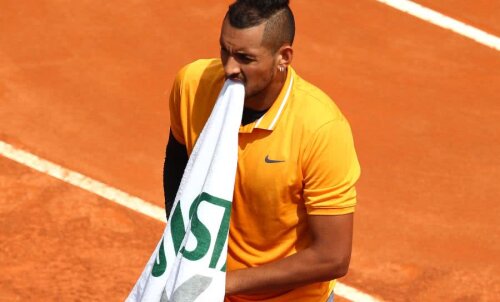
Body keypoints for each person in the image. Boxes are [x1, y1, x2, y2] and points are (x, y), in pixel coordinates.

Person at [163, 0, 360, 301]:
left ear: (284, 57)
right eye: (224, 51)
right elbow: (178, 166)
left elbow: (332, 256)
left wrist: (224, 282)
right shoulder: (193, 84)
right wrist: (185, 253)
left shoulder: (321, 129)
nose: (229, 68)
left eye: (245, 58)